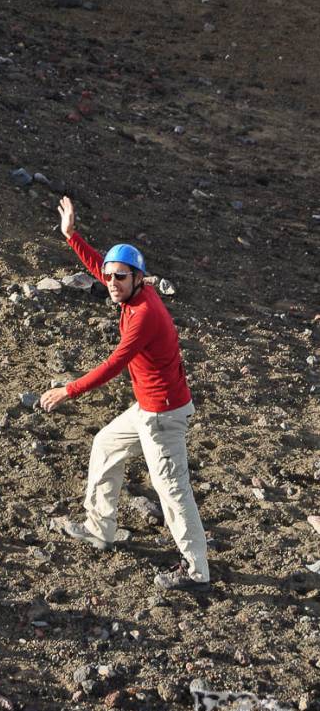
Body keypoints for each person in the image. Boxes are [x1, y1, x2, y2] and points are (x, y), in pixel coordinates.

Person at [40, 196, 210, 592]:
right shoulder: (130, 292)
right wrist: (72, 236)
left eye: (120, 277)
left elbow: (115, 363)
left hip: (163, 417)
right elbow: (99, 266)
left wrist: (69, 389)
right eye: (110, 276)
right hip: (148, 408)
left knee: (172, 491)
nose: (111, 283)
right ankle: (100, 529)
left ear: (139, 278)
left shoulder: (146, 315)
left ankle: (197, 571)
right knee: (103, 445)